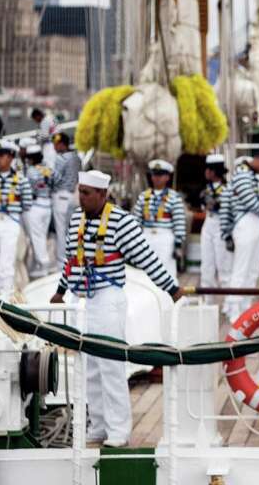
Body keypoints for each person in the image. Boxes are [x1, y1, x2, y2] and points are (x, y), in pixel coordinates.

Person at [50, 170, 182, 447]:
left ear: (103, 194)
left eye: (86, 193)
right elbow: (71, 260)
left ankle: (119, 430)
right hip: (81, 300)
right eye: (79, 192)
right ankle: (97, 426)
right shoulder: (77, 218)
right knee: (89, 367)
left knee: (111, 365)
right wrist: (60, 291)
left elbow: (147, 258)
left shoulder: (122, 222)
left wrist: (171, 288)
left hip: (108, 298)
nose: (81, 198)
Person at [224, 146, 259, 321]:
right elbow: (248, 200)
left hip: (254, 223)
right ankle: (234, 308)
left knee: (253, 270)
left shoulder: (249, 174)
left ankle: (245, 307)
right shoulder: (243, 173)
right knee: (241, 268)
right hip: (246, 222)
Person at [0, 140, 31, 300]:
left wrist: (13, 210)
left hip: (10, 221)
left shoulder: (21, 179)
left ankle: (5, 295)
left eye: (2, 155)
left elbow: (27, 203)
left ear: (10, 157)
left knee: (7, 261)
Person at [133, 159, 188, 275]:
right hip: (146, 236)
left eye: (160, 175)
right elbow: (136, 220)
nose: (156, 178)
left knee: (166, 270)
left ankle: (167, 293)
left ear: (167, 177)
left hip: (165, 237)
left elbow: (179, 222)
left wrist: (178, 244)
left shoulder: (174, 197)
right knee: (144, 271)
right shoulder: (143, 196)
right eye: (154, 175)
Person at [200, 153, 233, 304]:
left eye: (209, 169)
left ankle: (229, 304)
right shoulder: (205, 190)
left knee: (224, 266)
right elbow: (204, 205)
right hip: (209, 223)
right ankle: (208, 302)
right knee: (207, 265)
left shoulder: (228, 190)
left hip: (222, 224)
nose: (206, 172)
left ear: (215, 171)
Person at [22, 142, 55, 278]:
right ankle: (40, 265)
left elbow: (30, 190)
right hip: (47, 205)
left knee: (37, 237)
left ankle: (43, 265)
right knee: (42, 235)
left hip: (35, 207)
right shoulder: (47, 169)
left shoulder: (31, 171)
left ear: (31, 158)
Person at [50, 132, 82, 273]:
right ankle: (73, 261)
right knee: (72, 232)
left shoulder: (61, 158)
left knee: (61, 233)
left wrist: (46, 174)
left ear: (62, 144)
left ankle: (61, 265)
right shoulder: (77, 158)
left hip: (60, 197)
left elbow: (55, 179)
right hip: (73, 197)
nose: (54, 147)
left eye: (56, 144)